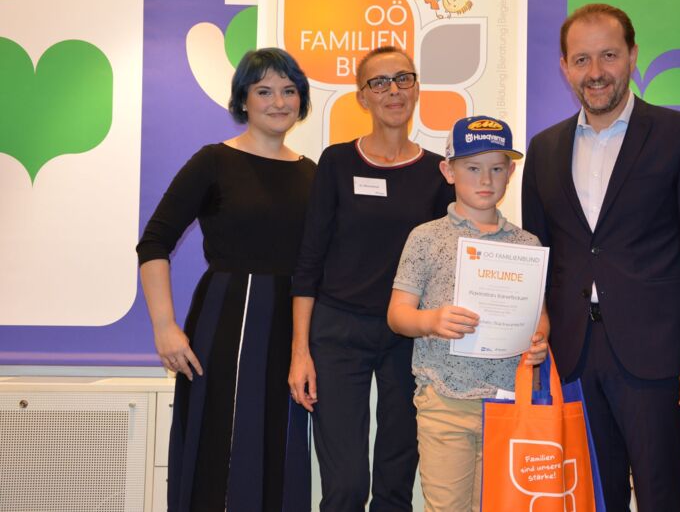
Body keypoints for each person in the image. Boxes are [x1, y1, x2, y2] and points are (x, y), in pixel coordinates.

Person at [522, 3, 680, 511]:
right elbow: (537, 255)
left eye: (609, 55)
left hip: (654, 357)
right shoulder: (544, 149)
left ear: (633, 56)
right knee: (591, 498)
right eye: (581, 59)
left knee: (662, 497)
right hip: (573, 355)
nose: (595, 72)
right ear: (565, 67)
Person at [136, 48, 315, 512]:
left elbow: (317, 265)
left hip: (291, 328)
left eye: (289, 90)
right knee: (216, 445)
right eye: (264, 91)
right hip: (224, 321)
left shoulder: (312, 174)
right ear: (243, 100)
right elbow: (153, 243)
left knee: (280, 446)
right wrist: (164, 326)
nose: (279, 102)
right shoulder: (213, 161)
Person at [289, 45, 453, 511]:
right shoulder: (337, 163)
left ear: (417, 88)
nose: (393, 90)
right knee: (344, 486)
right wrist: (300, 352)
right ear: (362, 97)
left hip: (409, 337)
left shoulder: (438, 173)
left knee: (395, 487)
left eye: (403, 78)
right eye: (378, 82)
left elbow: (451, 259)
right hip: (338, 333)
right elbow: (309, 262)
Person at [387, 116, 550, 512]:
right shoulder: (426, 238)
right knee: (447, 507)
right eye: (473, 168)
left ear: (511, 173)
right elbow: (398, 314)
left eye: (497, 168)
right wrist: (431, 320)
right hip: (445, 403)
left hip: (511, 403)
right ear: (449, 171)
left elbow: (539, 315)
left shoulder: (527, 244)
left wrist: (539, 340)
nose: (486, 180)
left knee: (504, 505)